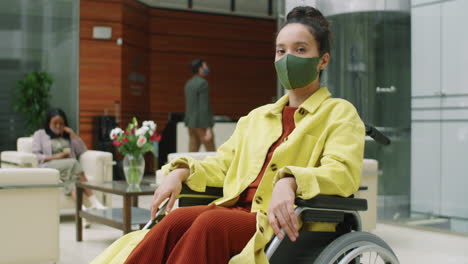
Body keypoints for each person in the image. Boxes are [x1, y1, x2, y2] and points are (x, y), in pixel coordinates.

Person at [92, 6, 365, 264]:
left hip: (285, 222)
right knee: (177, 220)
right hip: (237, 212)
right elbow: (224, 164)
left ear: (323, 60)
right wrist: (182, 172)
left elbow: (342, 173)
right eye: (281, 51)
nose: (287, 58)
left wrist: (292, 181)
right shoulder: (257, 118)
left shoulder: (339, 114)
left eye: (300, 49)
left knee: (211, 224)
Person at [32, 108, 106, 226]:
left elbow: (82, 150)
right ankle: (94, 201)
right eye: (55, 123)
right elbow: (36, 155)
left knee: (73, 182)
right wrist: (56, 157)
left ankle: (82, 211)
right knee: (73, 162)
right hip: (49, 166)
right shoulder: (40, 134)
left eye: (61, 123)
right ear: (48, 123)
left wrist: (73, 134)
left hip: (68, 169)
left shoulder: (68, 135)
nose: (58, 126)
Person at [184, 58, 216, 152]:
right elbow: (204, 107)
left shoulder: (188, 84)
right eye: (205, 66)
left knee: (192, 152)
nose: (207, 68)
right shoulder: (203, 83)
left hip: (191, 123)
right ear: (200, 68)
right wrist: (208, 127)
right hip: (202, 124)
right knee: (211, 152)